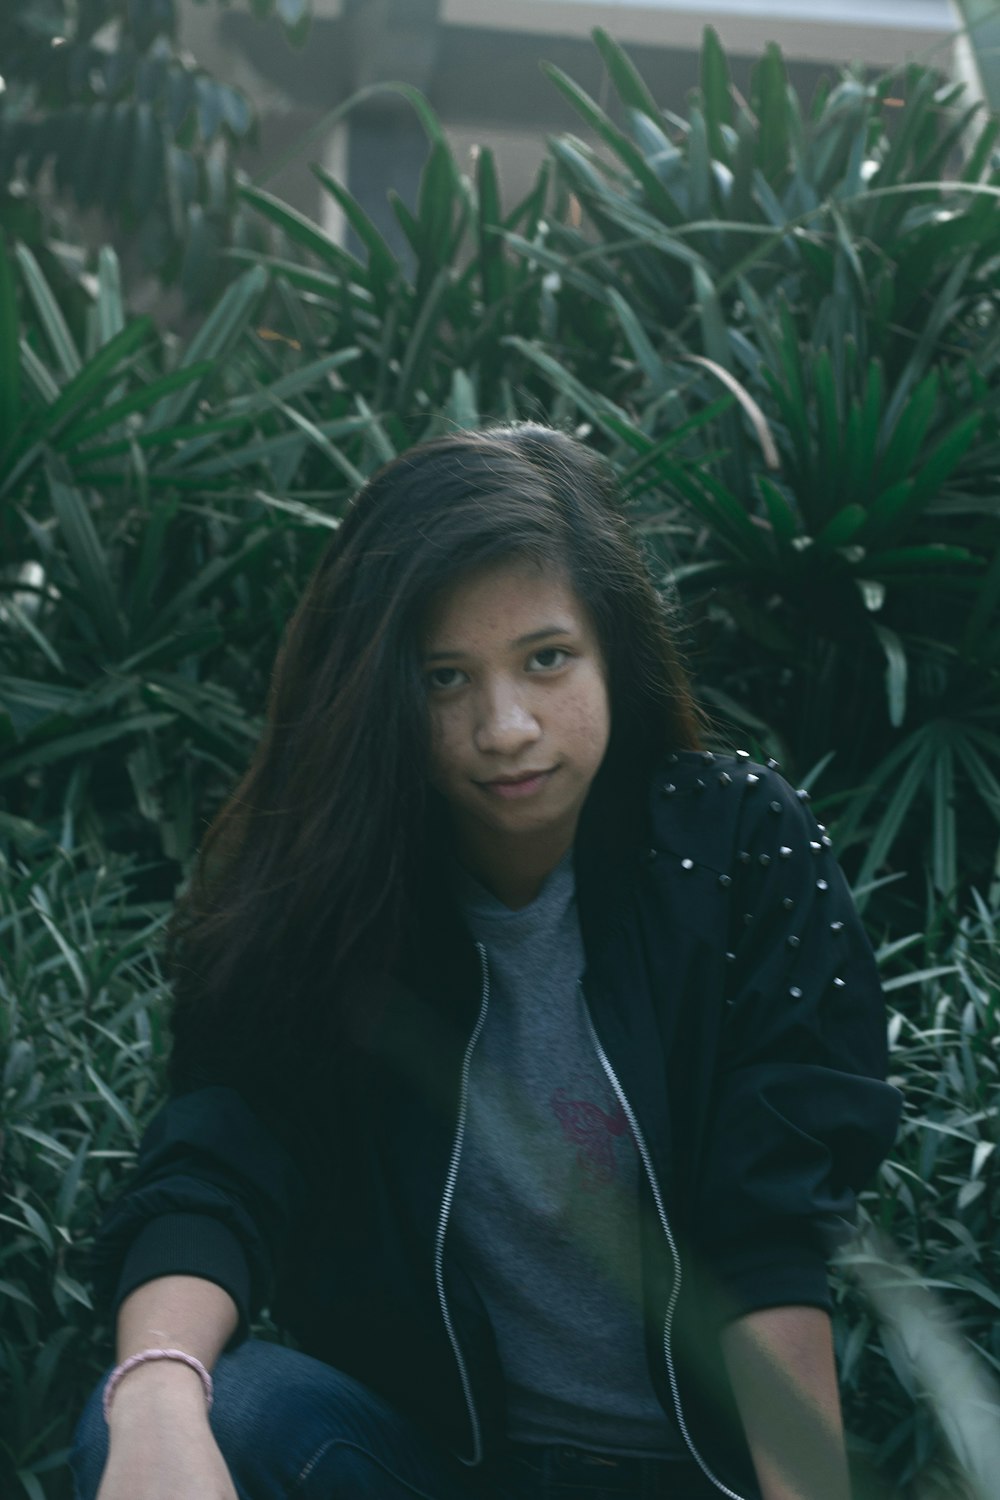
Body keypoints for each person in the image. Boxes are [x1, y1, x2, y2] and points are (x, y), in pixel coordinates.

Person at [71, 424, 901, 1500]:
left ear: (615, 651)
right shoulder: (331, 895)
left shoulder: (736, 851)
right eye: (444, 678)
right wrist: (155, 1396)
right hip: (436, 1475)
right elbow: (220, 1163)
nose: (504, 727)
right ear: (379, 692)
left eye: (545, 659)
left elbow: (769, 1236)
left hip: (693, 1482)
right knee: (202, 1408)